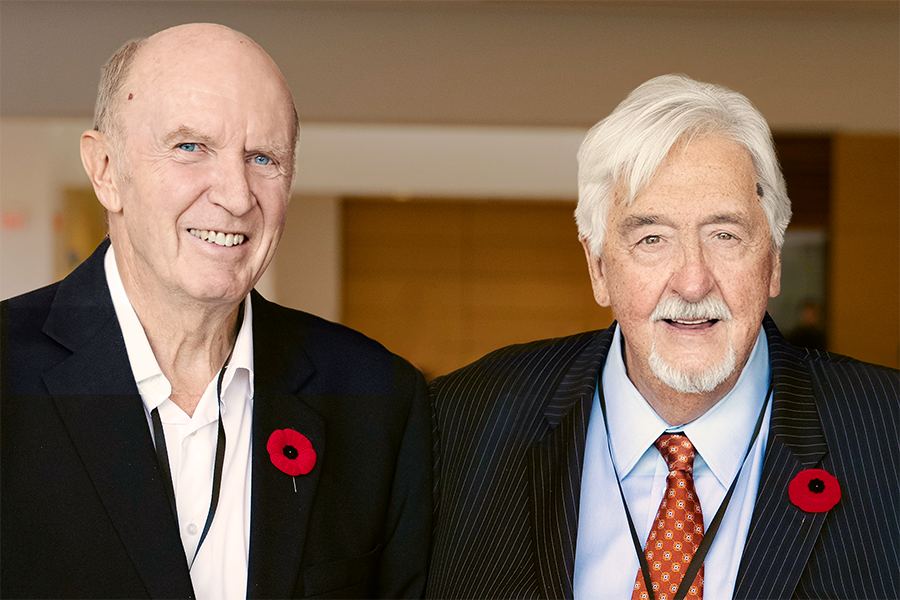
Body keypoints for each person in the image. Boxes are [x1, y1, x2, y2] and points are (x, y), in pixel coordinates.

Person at [426, 74, 900, 600]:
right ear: (598, 267)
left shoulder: (889, 433)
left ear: (773, 261)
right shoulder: (459, 423)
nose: (692, 282)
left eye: (725, 235)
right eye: (652, 239)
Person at [0, 23, 430, 600]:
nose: (236, 194)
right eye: (190, 147)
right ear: (105, 170)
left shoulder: (377, 398)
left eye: (263, 157)